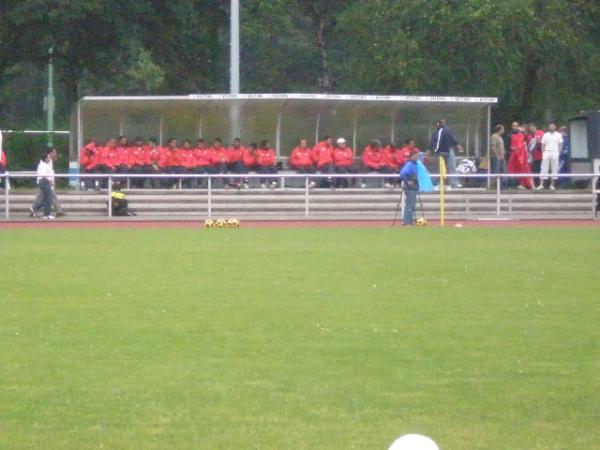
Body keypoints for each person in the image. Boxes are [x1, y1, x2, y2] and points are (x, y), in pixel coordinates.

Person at [429, 119, 463, 189]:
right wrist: (429, 150)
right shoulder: (435, 132)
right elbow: (432, 142)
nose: (443, 124)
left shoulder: (448, 131)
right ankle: (438, 184)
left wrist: (458, 146)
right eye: (441, 122)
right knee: (439, 168)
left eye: (444, 122)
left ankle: (454, 183)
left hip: (448, 150)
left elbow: (453, 139)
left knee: (451, 166)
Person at [507, 122, 533, 189]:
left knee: (523, 168)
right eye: (513, 126)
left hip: (521, 154)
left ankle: (524, 184)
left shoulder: (522, 134)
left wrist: (523, 132)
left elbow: (526, 141)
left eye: (516, 126)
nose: (515, 127)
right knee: (513, 169)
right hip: (514, 154)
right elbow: (510, 145)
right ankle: (514, 184)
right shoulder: (511, 134)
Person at [31, 150, 55, 219]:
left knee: (45, 198)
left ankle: (35, 208)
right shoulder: (43, 165)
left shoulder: (43, 165)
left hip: (43, 182)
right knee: (48, 198)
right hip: (44, 182)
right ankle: (46, 215)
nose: (49, 159)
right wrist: (50, 181)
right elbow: (44, 175)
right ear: (45, 158)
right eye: (48, 158)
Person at [399, 148, 421, 226]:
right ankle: (408, 222)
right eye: (416, 155)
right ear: (412, 156)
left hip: (413, 187)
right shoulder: (410, 164)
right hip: (410, 188)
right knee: (410, 205)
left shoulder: (415, 164)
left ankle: (407, 221)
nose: (417, 157)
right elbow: (403, 173)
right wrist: (407, 181)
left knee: (409, 204)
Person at [539, 123, 563, 190]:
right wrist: (543, 152)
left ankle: (552, 185)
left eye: (553, 126)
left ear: (555, 127)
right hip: (546, 152)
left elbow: (560, 144)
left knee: (554, 168)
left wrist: (559, 153)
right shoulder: (545, 135)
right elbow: (543, 144)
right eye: (550, 126)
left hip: (555, 152)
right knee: (544, 168)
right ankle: (541, 184)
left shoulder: (558, 135)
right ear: (548, 127)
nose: (551, 128)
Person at [526, 122, 545, 188]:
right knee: (535, 170)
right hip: (534, 157)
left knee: (542, 170)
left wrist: (538, 142)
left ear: (535, 127)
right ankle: (536, 184)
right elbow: (529, 147)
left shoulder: (541, 133)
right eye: (530, 128)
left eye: (532, 127)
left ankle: (542, 184)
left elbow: (544, 143)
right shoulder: (529, 136)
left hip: (542, 155)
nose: (532, 129)